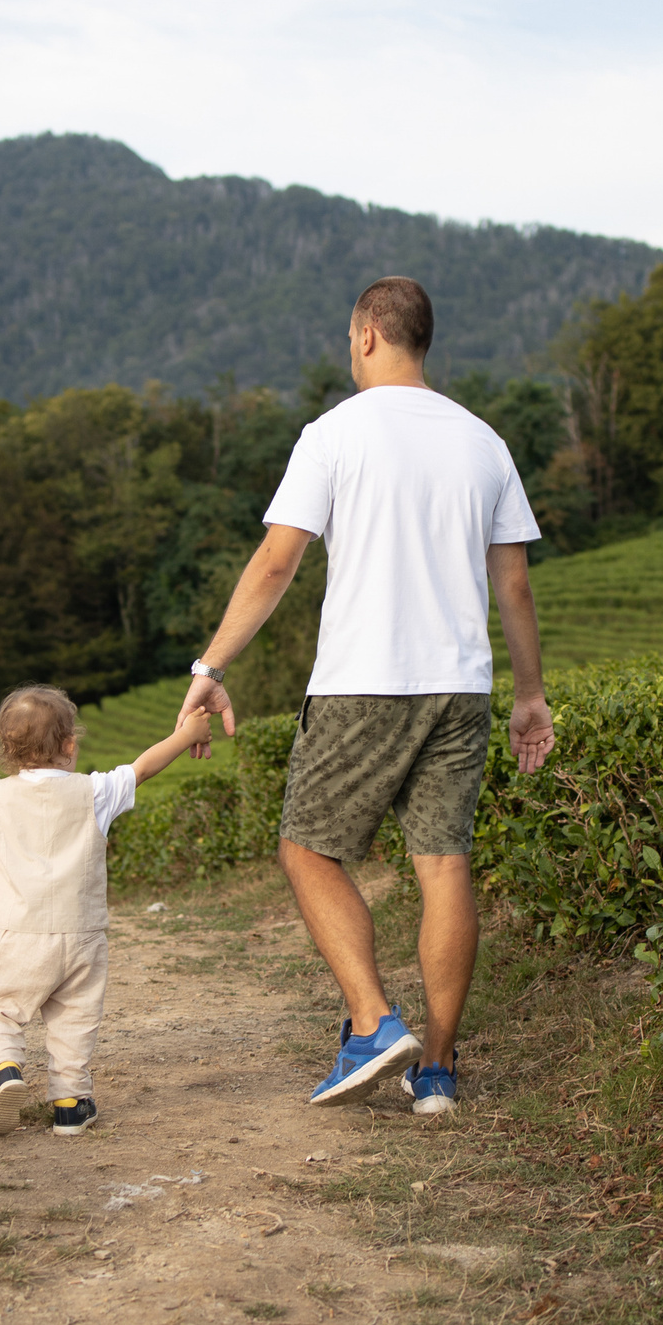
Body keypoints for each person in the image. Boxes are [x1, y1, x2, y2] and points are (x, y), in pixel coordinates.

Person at [178, 276, 553, 1115]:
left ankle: (376, 1020)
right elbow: (515, 586)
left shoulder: (334, 433)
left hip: (363, 680)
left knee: (308, 847)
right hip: (462, 685)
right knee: (444, 864)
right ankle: (440, 1074)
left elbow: (277, 563)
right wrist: (530, 694)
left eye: (352, 337)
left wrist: (210, 666)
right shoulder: (484, 441)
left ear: (371, 334)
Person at [0, 686, 213, 1137]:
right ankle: (71, 1103)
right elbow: (144, 766)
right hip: (83, 934)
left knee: (1, 1009)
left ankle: (5, 1072)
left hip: (20, 933)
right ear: (70, 744)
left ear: (6, 752)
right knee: (75, 1017)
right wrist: (187, 732)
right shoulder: (95, 792)